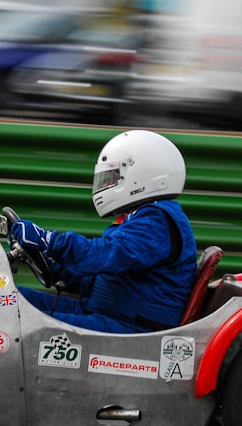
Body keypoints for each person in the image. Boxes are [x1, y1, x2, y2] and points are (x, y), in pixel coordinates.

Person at [11, 130, 198, 333]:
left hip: (129, 327)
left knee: (16, 319)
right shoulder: (144, 217)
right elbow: (106, 275)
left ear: (140, 176)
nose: (106, 185)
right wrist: (53, 265)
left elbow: (106, 255)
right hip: (105, 313)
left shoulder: (157, 221)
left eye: (112, 178)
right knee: (7, 300)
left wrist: (49, 240)